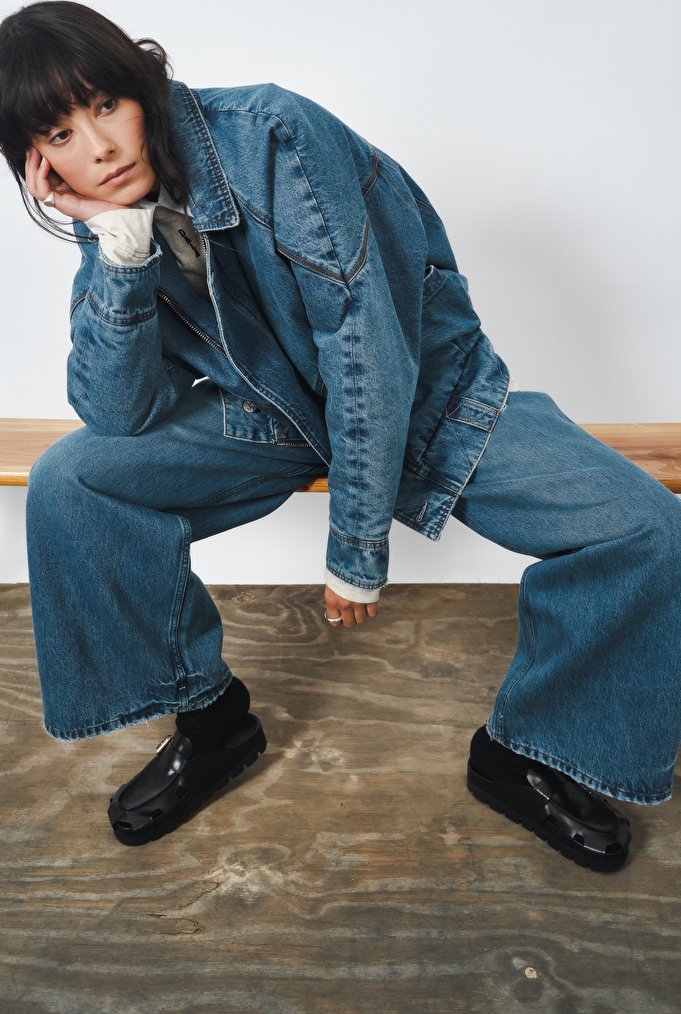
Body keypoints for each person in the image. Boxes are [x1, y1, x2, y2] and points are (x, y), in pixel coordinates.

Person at [1, 1, 679, 869]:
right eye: (61, 134)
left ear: (144, 85)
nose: (98, 148)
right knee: (72, 483)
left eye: (107, 105)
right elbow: (118, 413)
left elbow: (367, 347)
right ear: (36, 164)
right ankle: (213, 725)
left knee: (645, 532)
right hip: (273, 415)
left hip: (427, 394)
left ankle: (525, 755)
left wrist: (355, 545)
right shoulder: (111, 215)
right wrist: (120, 255)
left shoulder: (273, 134)